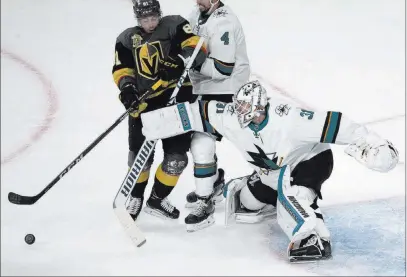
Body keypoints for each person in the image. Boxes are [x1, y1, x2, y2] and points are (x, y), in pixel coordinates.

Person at [140, 80, 399, 262]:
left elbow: (336, 124)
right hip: (272, 171)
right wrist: (156, 122)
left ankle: (314, 238)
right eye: (238, 106)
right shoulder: (231, 117)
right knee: (245, 203)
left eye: (245, 108)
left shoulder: (290, 119)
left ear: (260, 107)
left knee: (296, 197)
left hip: (309, 161)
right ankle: (275, 198)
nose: (239, 111)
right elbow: (197, 112)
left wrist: (371, 143)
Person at [112, 0, 207, 221]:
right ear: (137, 19)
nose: (150, 23)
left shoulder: (175, 25)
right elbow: (121, 69)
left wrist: (179, 63)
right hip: (145, 103)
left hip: (178, 100)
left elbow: (198, 47)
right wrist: (127, 90)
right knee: (139, 159)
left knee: (177, 159)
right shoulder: (126, 39)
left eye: (154, 18)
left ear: (160, 14)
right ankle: (135, 196)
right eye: (145, 20)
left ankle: (157, 199)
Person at [184, 0, 251, 232]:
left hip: (228, 91)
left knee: (201, 143)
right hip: (206, 88)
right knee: (200, 142)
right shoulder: (198, 13)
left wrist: (193, 60)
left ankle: (206, 200)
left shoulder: (225, 23)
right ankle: (212, 185)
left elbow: (223, 69)